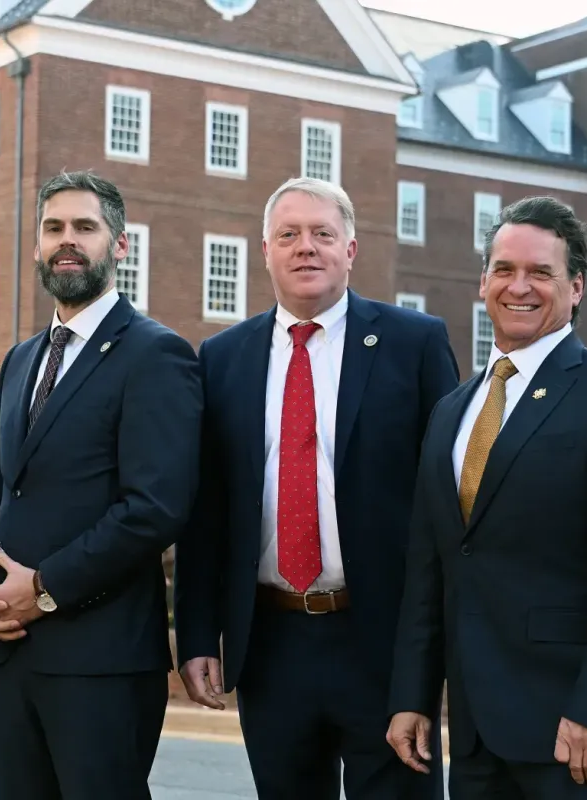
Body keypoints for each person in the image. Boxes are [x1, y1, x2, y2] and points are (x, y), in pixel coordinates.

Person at [172, 176, 460, 800]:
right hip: (271, 644)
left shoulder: (416, 343)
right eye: (289, 235)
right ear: (266, 251)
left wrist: (434, 649)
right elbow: (208, 513)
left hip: (381, 643)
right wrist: (197, 634)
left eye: (323, 234)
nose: (306, 247)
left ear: (350, 249)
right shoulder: (221, 358)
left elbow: (447, 505)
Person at [386, 195, 587, 799]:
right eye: (504, 270)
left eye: (540, 273)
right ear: (483, 282)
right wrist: (412, 696)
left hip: (578, 734)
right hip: (475, 736)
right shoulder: (451, 411)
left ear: (576, 288)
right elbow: (431, 569)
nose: (519, 287)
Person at [0, 170, 203, 799]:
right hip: (10, 656)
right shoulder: (20, 360)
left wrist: (40, 589)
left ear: (119, 245)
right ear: (38, 245)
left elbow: (154, 509)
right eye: (54, 228)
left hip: (103, 660)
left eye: (85, 228)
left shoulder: (157, 355)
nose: (68, 241)